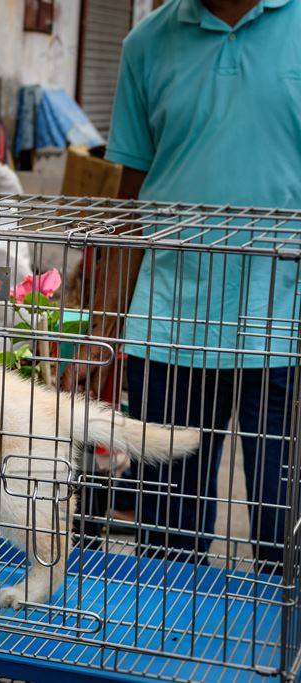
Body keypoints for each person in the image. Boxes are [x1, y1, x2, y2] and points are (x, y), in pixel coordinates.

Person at [69, 0, 301, 570]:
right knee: (170, 538)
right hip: (171, 326)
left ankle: (282, 657)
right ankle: (165, 657)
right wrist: (101, 333)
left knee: (284, 535)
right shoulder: (147, 43)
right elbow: (130, 199)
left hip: (282, 326)